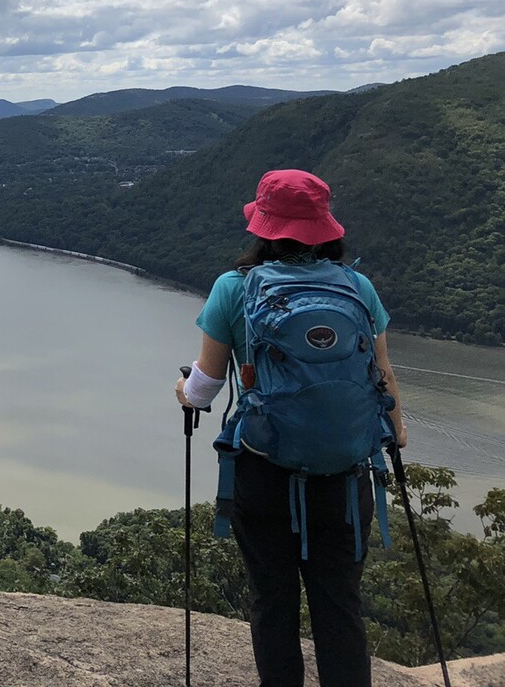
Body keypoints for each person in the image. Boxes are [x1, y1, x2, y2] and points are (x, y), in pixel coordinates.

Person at [174, 169, 406, 687]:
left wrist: (183, 391)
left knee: (272, 602)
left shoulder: (233, 288)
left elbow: (205, 389)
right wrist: (396, 433)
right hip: (345, 477)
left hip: (263, 473)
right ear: (326, 228)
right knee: (340, 604)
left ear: (263, 226)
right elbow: (383, 376)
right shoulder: (358, 287)